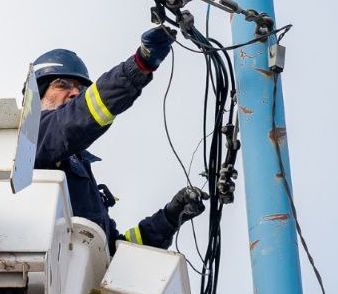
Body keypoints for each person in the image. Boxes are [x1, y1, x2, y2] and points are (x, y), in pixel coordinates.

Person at [32, 27, 207, 254]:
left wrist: (169, 218)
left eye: (81, 88)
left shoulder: (77, 171)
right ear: (37, 96)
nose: (75, 93)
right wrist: (139, 65)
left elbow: (115, 253)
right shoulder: (32, 137)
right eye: (62, 84)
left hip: (77, 284)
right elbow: (77, 118)